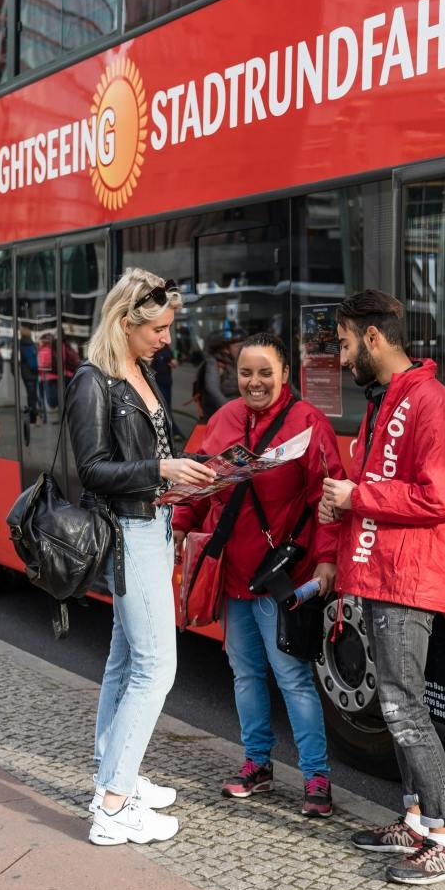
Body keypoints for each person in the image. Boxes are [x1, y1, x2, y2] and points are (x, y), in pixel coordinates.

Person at [318, 290, 445, 886]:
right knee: (397, 702)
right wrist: (345, 505)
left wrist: (356, 497)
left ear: (373, 339)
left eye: (343, 342)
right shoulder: (392, 400)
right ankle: (416, 820)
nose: (340, 357)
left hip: (409, 576)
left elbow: (440, 496)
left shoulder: (433, 406)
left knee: (402, 706)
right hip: (387, 569)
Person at [66, 267, 217, 846]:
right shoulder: (94, 380)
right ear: (125, 322)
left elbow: (150, 451)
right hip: (128, 530)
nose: (165, 337)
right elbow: (91, 469)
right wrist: (161, 470)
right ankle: (113, 805)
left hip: (152, 522)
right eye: (156, 327)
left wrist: (187, 477)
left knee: (125, 662)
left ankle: (114, 776)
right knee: (158, 667)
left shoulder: (141, 372)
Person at [172, 332, 342, 818]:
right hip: (233, 572)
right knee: (245, 674)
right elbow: (199, 484)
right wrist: (183, 525)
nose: (255, 382)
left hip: (282, 575)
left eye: (265, 372)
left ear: (285, 375)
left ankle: (316, 777)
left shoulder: (308, 423)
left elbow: (327, 498)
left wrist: (327, 560)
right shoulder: (222, 420)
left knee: (292, 677)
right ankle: (257, 764)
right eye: (246, 372)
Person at [17, 328, 40, 425]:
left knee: (30, 396)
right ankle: (36, 414)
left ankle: (33, 417)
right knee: (33, 395)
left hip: (26, 374)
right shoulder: (33, 345)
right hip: (35, 372)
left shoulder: (20, 345)